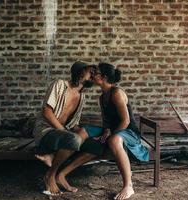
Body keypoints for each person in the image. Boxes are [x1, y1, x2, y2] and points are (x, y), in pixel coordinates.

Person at [56, 62, 149, 200]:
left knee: (114, 140)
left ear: (104, 77)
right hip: (113, 131)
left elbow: (126, 121)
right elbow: (106, 122)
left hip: (128, 133)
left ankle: (128, 186)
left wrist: (111, 133)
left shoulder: (116, 93)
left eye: (96, 73)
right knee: (84, 130)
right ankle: (60, 173)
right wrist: (106, 131)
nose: (92, 75)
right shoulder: (102, 97)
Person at [32, 61, 96, 195]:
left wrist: (83, 132)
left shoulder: (82, 96)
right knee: (73, 140)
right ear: (80, 71)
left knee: (95, 146)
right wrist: (64, 131)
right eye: (90, 71)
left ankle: (59, 173)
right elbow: (46, 112)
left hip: (63, 132)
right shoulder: (60, 84)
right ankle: (50, 175)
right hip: (46, 130)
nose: (93, 75)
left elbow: (73, 123)